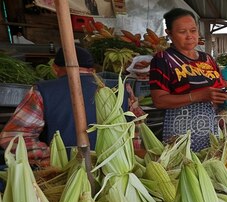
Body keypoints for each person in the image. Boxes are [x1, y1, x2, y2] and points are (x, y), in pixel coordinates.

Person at [0, 46, 139, 166]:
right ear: (92, 70)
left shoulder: (42, 92)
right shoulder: (122, 90)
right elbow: (136, 132)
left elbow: (12, 138)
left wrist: (55, 159)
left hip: (63, 176)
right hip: (116, 173)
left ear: (55, 68)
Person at [149, 8, 227, 152]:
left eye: (193, 30)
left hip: (210, 127)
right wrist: (198, 96)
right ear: (169, 33)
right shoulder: (163, 59)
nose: (190, 36)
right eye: (182, 32)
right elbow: (159, 100)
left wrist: (225, 116)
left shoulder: (208, 59)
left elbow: (220, 90)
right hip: (180, 129)